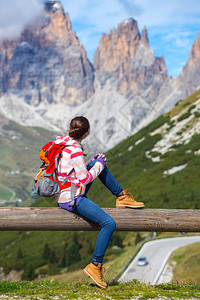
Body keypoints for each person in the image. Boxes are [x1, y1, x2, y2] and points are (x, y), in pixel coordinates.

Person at [54, 116, 144, 289]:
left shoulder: (63, 142)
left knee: (97, 162)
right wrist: (100, 166)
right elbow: (83, 179)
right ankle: (95, 266)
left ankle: (120, 195)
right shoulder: (75, 150)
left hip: (64, 192)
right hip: (71, 198)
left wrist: (94, 163)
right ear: (86, 133)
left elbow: (72, 171)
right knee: (109, 223)